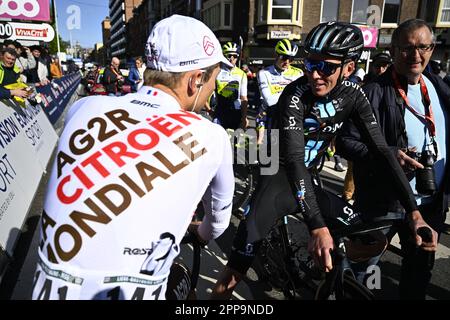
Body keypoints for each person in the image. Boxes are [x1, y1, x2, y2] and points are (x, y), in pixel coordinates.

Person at [211, 21, 437, 300]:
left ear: (349, 68)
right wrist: (317, 227)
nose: (315, 74)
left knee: (374, 240)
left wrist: (414, 213)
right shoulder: (295, 95)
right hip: (277, 174)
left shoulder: (354, 95)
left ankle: (323, 278)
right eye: (310, 64)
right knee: (234, 274)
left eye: (327, 67)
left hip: (309, 176)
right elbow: (293, 161)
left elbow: (381, 150)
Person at [31, 14, 235, 300]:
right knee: (183, 284)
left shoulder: (83, 108)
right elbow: (217, 224)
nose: (213, 89)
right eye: (213, 78)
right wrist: (199, 235)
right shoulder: (212, 135)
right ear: (196, 80)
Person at [336, 19, 448, 299]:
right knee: (362, 271)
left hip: (429, 201)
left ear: (432, 49)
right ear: (394, 49)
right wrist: (386, 155)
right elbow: (345, 143)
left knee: (418, 273)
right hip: (382, 201)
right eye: (407, 48)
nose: (416, 55)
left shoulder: (439, 88)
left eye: (423, 47)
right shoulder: (372, 92)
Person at [256, 39, 303, 145]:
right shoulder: (264, 73)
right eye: (284, 57)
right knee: (273, 152)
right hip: (274, 115)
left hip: (292, 115)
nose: (287, 62)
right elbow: (269, 100)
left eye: (291, 59)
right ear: (276, 55)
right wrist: (291, 94)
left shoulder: (298, 73)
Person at [214, 42, 248, 130]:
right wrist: (209, 109)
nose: (231, 59)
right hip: (220, 111)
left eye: (235, 56)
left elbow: (244, 98)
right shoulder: (216, 72)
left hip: (236, 112)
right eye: (229, 56)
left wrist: (244, 118)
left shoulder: (242, 74)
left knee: (235, 141)